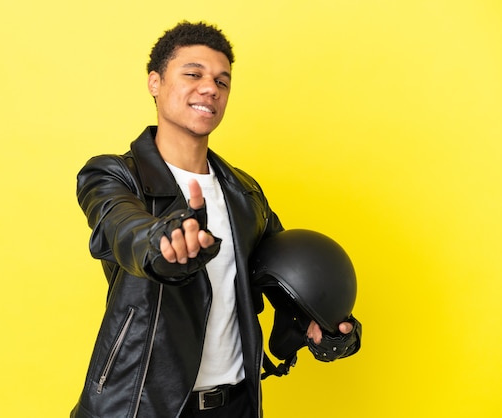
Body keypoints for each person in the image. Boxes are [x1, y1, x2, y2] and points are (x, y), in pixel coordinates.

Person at [70, 21, 356, 418]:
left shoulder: (244, 193)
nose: (210, 88)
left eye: (222, 82)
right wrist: (161, 240)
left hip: (236, 404)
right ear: (155, 82)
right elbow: (120, 225)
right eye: (193, 74)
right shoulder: (114, 175)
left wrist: (322, 327)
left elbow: (279, 276)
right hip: (141, 406)